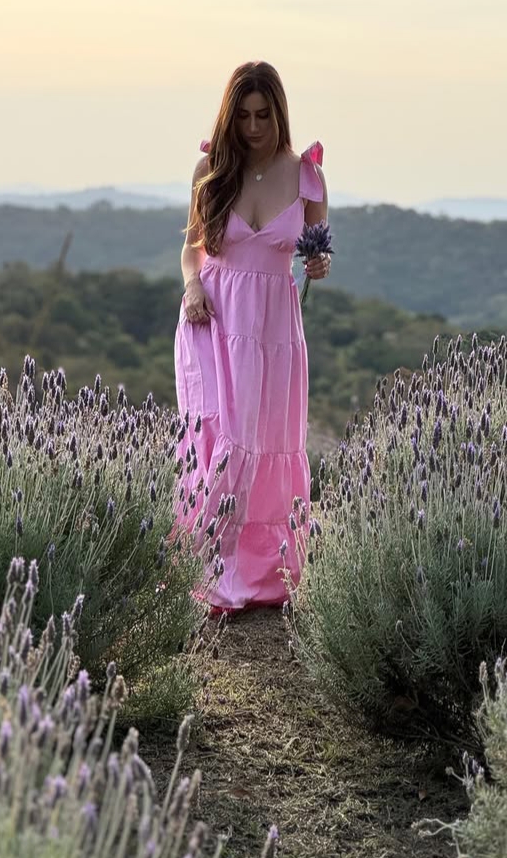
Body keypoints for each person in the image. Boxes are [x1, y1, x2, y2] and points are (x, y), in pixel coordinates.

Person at [174, 60, 330, 613]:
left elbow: (319, 249)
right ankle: (207, 563)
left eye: (263, 115)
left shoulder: (307, 175)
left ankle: (267, 570)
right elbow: (191, 248)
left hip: (274, 329)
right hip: (214, 320)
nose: (254, 127)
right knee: (225, 442)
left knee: (267, 443)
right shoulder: (211, 168)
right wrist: (193, 286)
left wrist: (319, 266)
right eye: (243, 116)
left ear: (279, 113)